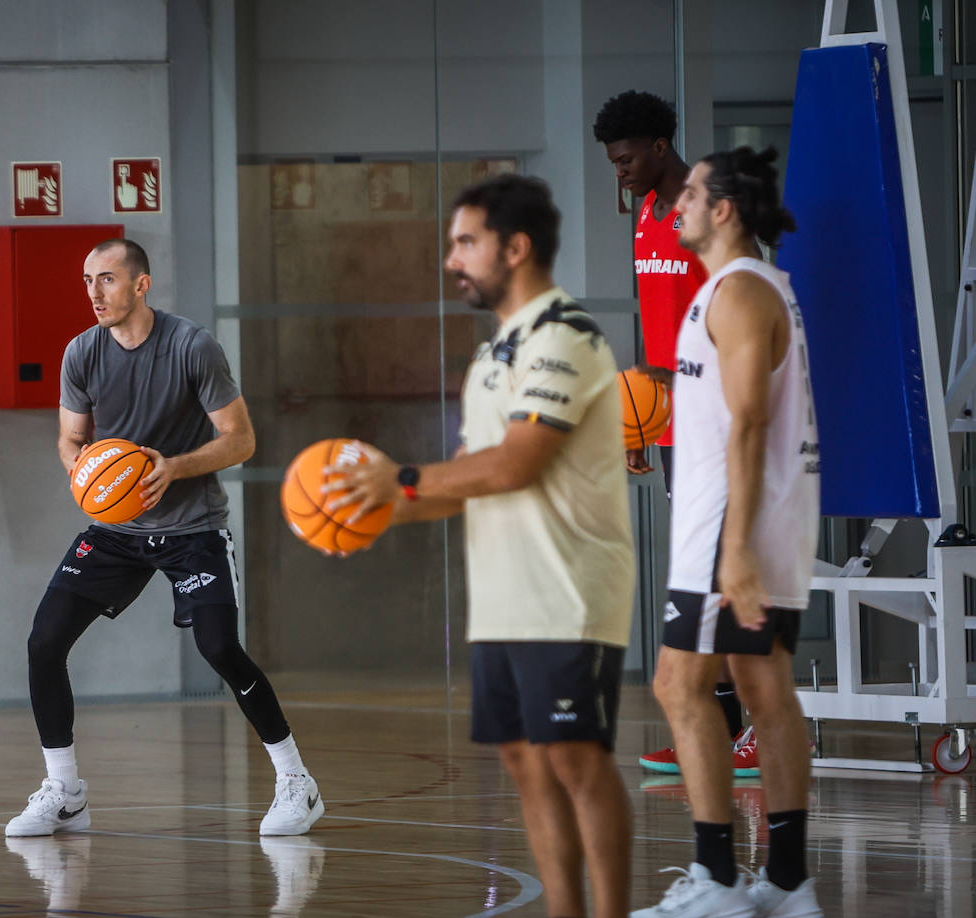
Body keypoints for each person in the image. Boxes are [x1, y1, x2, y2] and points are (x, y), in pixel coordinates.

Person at [327, 175, 635, 918]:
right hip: (502, 598)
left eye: (466, 242)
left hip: (569, 595)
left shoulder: (568, 337)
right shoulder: (493, 353)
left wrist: (395, 475)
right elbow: (468, 478)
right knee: (524, 764)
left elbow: (516, 462)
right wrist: (370, 513)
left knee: (576, 760)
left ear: (516, 248)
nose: (451, 259)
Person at [6, 239, 323, 838]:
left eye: (106, 280)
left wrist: (173, 467)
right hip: (115, 529)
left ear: (141, 285)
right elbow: (69, 441)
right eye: (87, 280)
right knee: (44, 643)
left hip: (191, 528)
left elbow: (241, 440)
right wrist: (83, 470)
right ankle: (65, 792)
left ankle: (296, 782)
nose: (93, 293)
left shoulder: (190, 346)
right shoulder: (81, 353)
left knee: (219, 650)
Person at [632, 147, 822, 918]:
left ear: (724, 210)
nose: (676, 202)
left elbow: (749, 421)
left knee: (679, 684)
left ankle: (715, 880)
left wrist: (735, 548)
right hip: (759, 519)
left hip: (732, 527)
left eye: (691, 193)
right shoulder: (745, 287)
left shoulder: (741, 292)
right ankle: (786, 882)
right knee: (761, 688)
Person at [593, 89, 753, 778]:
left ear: (660, 147)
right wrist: (641, 412)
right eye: (612, 161)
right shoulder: (644, 212)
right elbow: (657, 318)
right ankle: (716, 728)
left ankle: (754, 730)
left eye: (627, 159)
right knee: (694, 579)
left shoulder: (706, 211)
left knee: (721, 578)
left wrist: (670, 383)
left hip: (716, 413)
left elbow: (740, 313)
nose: (619, 171)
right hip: (671, 421)